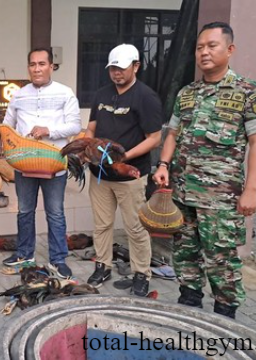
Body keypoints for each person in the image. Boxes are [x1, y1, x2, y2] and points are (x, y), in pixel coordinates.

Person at [153, 22, 256, 318]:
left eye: (212, 46)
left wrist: (252, 191)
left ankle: (224, 319)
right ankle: (189, 307)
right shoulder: (187, 93)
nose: (204, 52)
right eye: (199, 47)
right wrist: (163, 164)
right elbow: (172, 132)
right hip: (183, 194)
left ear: (229, 50)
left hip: (221, 199)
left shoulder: (250, 92)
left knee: (221, 261)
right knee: (185, 256)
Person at [84, 44, 163, 297]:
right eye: (113, 68)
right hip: (100, 176)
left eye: (122, 68)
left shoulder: (146, 97)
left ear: (136, 66)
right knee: (101, 225)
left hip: (131, 176)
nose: (117, 73)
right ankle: (103, 265)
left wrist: (123, 159)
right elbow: (91, 129)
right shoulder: (101, 94)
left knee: (135, 227)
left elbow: (154, 138)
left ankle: (142, 273)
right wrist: (88, 149)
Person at [1, 48, 81, 278]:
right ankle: (24, 254)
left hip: (54, 163)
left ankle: (58, 259)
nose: (37, 69)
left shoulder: (65, 93)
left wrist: (49, 131)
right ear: (28, 67)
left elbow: (75, 126)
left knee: (55, 212)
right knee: (24, 211)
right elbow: (8, 126)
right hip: (24, 164)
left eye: (42, 64)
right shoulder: (18, 95)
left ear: (51, 66)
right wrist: (10, 141)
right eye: (32, 64)